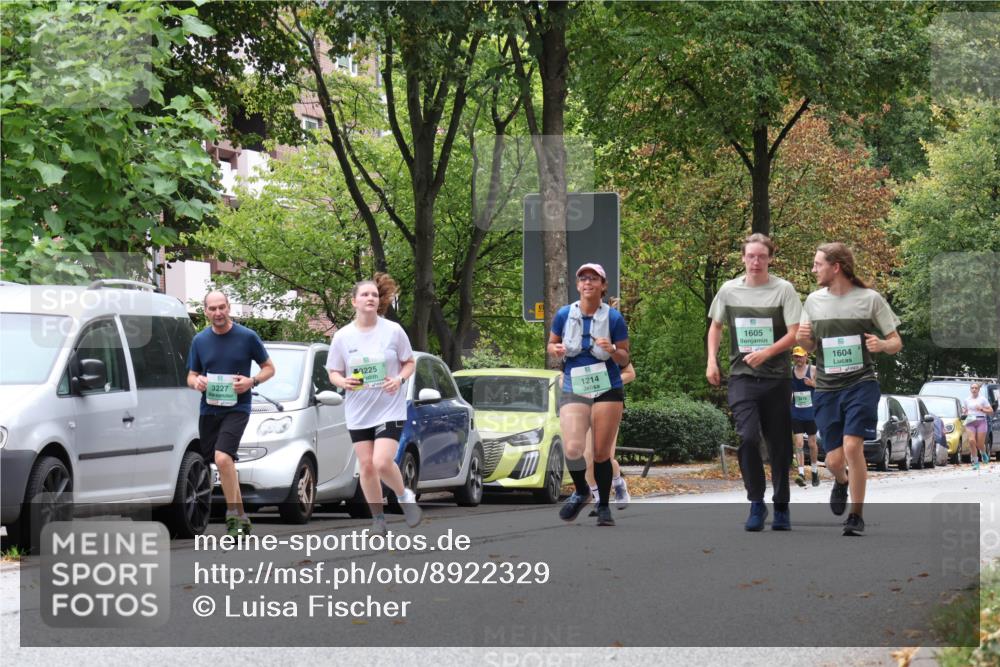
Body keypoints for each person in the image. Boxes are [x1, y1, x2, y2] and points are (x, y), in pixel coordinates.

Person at [797, 242, 902, 536]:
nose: (813, 269)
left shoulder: (869, 300)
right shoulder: (814, 301)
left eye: (818, 264)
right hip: (827, 389)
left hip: (860, 384)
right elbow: (809, 346)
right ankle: (840, 481)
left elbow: (896, 341)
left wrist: (881, 345)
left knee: (853, 446)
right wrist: (804, 339)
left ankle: (856, 515)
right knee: (832, 460)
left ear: (836, 267)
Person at [707, 233, 802, 532]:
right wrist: (711, 359)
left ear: (770, 258)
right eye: (751, 256)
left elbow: (795, 333)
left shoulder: (784, 290)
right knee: (747, 437)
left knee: (779, 444)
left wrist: (768, 352)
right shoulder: (729, 290)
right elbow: (716, 326)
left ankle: (782, 505)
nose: (756, 262)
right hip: (742, 377)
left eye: (762, 256)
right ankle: (757, 502)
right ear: (743, 258)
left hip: (776, 378)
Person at [327, 274, 420, 536]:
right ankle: (378, 519)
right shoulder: (343, 337)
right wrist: (343, 382)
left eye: (374, 295)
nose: (370, 298)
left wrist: (399, 379)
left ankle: (404, 496)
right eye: (365, 295)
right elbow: (333, 371)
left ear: (379, 302)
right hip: (358, 409)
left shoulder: (393, 331)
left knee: (381, 462)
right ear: (354, 301)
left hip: (389, 406)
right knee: (366, 465)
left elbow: (409, 362)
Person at [548, 263, 630, 527]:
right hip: (575, 384)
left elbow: (625, 357)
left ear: (602, 285)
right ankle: (582, 490)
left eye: (593, 279)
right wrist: (556, 350)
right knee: (572, 448)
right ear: (578, 285)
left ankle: (604, 506)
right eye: (582, 278)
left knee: (600, 453)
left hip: (607, 386)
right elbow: (551, 343)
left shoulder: (614, 318)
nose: (587, 283)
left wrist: (613, 348)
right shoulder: (563, 314)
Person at [188, 290, 275, 538]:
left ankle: (232, 516)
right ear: (205, 311)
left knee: (224, 458)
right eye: (212, 309)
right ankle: (242, 516)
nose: (218, 313)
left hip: (237, 408)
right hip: (209, 410)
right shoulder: (200, 341)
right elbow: (191, 375)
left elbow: (269, 368)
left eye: (221, 307)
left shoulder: (247, 337)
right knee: (220, 462)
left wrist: (252, 381)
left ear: (229, 307)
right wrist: (197, 382)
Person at [584, 361, 635, 514]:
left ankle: (618, 483)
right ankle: (600, 499)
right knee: (587, 459)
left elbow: (630, 374)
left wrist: (606, 383)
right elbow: (561, 377)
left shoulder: (611, 350)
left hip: (609, 406)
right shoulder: (574, 352)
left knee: (604, 457)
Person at [790, 346, 820, 488]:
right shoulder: (791, 372)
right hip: (796, 412)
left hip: (811, 413)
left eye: (801, 356)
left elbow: (824, 387)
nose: (798, 359)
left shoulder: (813, 370)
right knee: (799, 443)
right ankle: (801, 473)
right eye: (796, 356)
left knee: (812, 444)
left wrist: (812, 384)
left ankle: (814, 471)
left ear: (806, 356)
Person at [964, 382, 994, 469]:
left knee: (980, 444)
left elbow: (991, 410)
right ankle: (975, 462)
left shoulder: (983, 399)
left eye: (976, 388)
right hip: (970, 421)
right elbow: (965, 409)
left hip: (981, 421)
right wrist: (964, 411)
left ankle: (983, 453)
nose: (974, 389)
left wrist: (981, 409)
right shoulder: (967, 400)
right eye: (972, 388)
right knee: (971, 441)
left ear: (978, 390)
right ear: (970, 389)